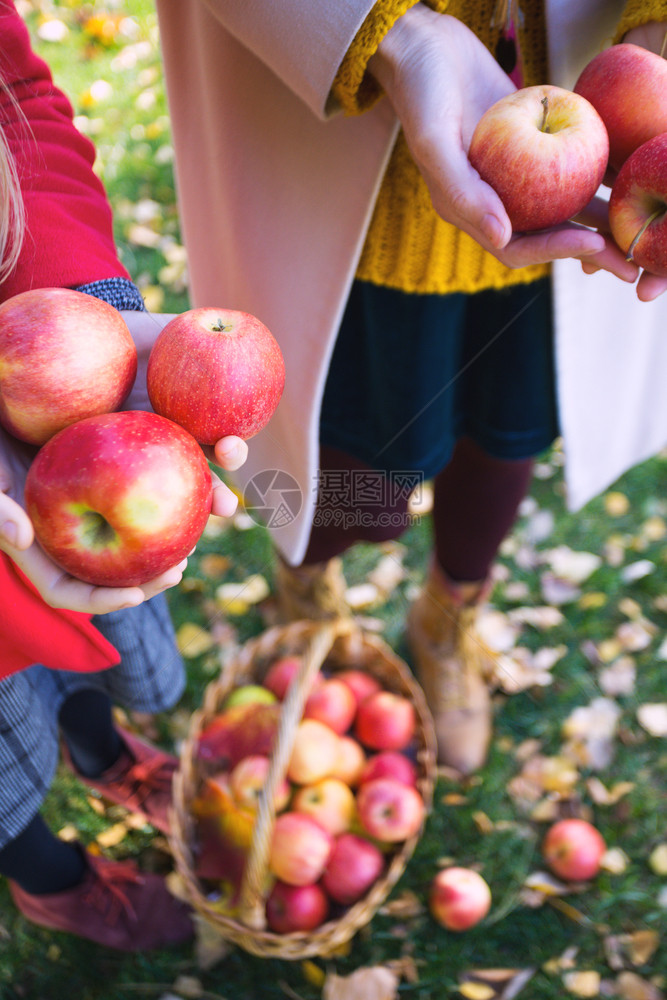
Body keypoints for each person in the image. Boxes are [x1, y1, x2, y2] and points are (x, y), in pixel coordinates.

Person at [154, 0, 667, 774]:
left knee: (508, 431)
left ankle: (446, 617)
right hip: (344, 159)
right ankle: (305, 579)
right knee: (358, 470)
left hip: (587, 162)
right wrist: (386, 33)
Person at [0, 4, 247, 951]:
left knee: (82, 623)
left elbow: (16, 98)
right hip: (55, 469)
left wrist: (82, 308)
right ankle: (47, 876)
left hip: (58, 433)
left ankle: (104, 756)